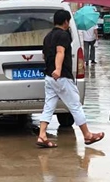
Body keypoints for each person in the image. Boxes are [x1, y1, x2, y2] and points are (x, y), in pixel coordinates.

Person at [37, 9, 104, 148]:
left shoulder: (47, 37)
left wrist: (52, 69)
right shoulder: (63, 35)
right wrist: (58, 69)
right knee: (75, 106)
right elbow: (60, 52)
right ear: (66, 21)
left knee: (49, 106)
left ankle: (42, 135)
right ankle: (87, 135)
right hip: (62, 77)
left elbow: (44, 56)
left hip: (49, 77)